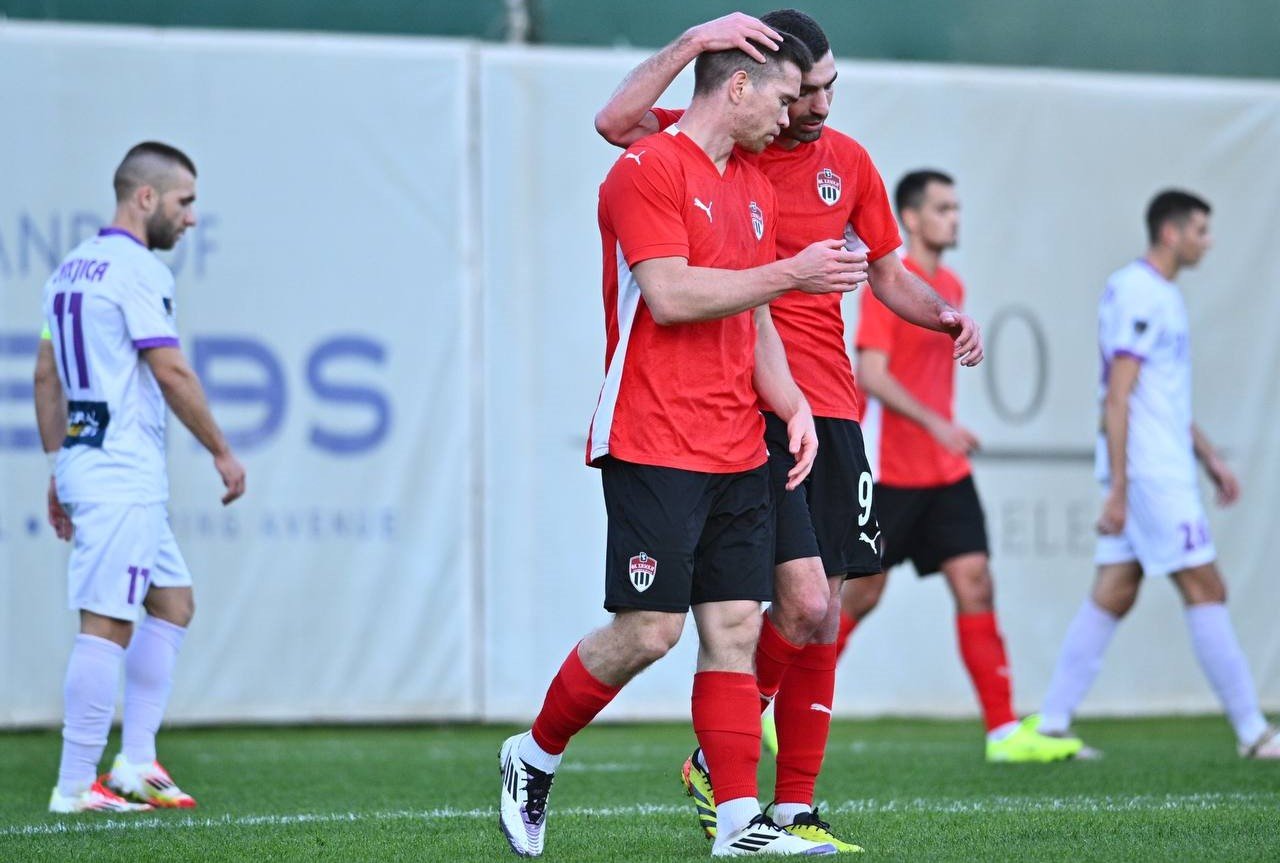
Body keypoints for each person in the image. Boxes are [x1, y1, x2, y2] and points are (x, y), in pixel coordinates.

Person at [594, 9, 984, 849]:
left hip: (829, 407)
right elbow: (616, 123)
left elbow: (889, 274)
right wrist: (696, 41)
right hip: (751, 401)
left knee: (823, 611)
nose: (817, 105)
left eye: (829, 87)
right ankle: (726, 765)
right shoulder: (730, 142)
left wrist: (943, 315)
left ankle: (792, 804)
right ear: (761, 86)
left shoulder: (849, 162)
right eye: (804, 91)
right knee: (791, 601)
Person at [498, 32, 874, 858]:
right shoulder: (647, 169)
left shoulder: (753, 187)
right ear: (737, 87)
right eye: (783, 99)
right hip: (653, 433)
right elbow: (669, 295)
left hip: (740, 439)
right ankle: (534, 752)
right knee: (650, 630)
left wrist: (792, 403)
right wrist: (794, 272)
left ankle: (738, 825)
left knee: (736, 625)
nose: (791, 117)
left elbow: (756, 317)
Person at [835, 170, 1080, 763]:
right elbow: (872, 375)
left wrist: (941, 432)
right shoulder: (889, 283)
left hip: (942, 470)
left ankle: (1003, 732)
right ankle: (775, 705)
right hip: (889, 468)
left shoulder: (950, 286)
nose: (954, 218)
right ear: (911, 218)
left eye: (956, 208)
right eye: (942, 208)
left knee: (975, 580)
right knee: (861, 593)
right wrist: (936, 423)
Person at [34, 142, 247, 813]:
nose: (191, 218)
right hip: (118, 473)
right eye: (185, 202)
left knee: (173, 601)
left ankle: (135, 761)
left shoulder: (68, 270)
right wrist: (221, 450)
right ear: (146, 197)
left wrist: (58, 465)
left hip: (91, 463)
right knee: (106, 624)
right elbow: (171, 369)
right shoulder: (137, 269)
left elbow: (46, 376)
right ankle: (75, 786)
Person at [1033, 190, 1278, 759]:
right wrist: (1120, 488)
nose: (1207, 242)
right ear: (1171, 233)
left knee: (1115, 590)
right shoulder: (1141, 291)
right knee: (1207, 586)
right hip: (1150, 474)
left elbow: (1158, 399)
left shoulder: (1156, 292)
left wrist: (1209, 457)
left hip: (1157, 464)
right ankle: (1253, 732)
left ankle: (1052, 724)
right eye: (1200, 230)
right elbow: (1118, 396)